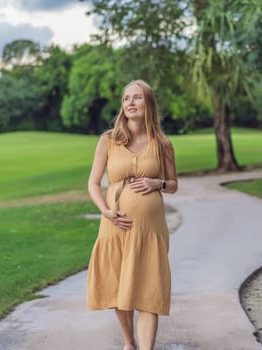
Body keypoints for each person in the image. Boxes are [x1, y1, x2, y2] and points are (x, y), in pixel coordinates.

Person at [86, 79, 178, 350]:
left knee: (149, 289)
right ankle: (129, 342)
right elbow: (93, 183)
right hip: (115, 226)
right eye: (126, 99)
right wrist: (106, 211)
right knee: (118, 286)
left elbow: (173, 185)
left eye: (137, 98)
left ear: (148, 103)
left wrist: (156, 183)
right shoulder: (108, 140)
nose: (130, 103)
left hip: (150, 231)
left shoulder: (162, 142)